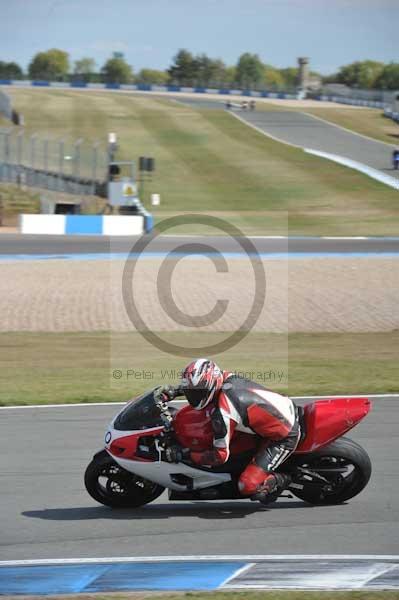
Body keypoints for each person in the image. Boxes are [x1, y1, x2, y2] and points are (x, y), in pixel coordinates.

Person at [156, 358, 300, 503]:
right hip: (268, 420)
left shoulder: (224, 411)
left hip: (283, 435)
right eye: (192, 392)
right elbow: (200, 386)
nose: (193, 397)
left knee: (247, 485)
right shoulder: (223, 378)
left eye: (196, 392)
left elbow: (220, 456)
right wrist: (175, 391)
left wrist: (185, 454)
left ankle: (285, 478)